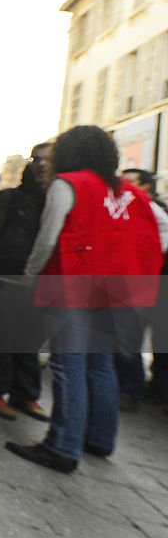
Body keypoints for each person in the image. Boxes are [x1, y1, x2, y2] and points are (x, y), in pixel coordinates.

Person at [6, 126, 162, 473]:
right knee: (99, 364)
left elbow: (48, 238)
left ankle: (62, 445)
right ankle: (99, 439)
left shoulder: (69, 183)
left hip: (76, 286)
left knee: (68, 364)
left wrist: (30, 276)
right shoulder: (131, 193)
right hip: (118, 291)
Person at [0, 144, 52, 421]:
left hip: (39, 284)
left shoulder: (57, 199)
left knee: (29, 342)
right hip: (2, 279)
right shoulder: (8, 198)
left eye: (47, 160)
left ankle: (24, 394)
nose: (41, 164)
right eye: (36, 159)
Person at [115, 168, 168, 410]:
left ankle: (130, 390)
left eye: (130, 180)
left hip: (143, 280)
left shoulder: (147, 205)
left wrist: (148, 257)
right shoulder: (128, 201)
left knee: (129, 338)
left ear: (145, 185)